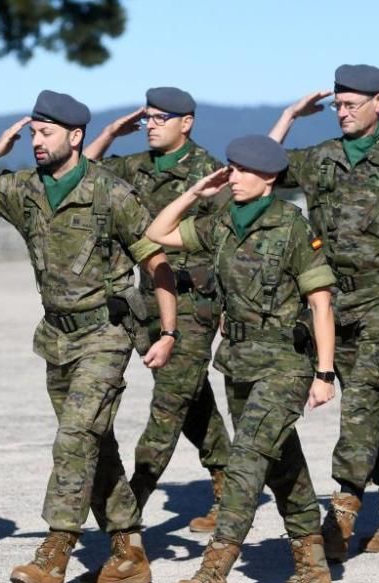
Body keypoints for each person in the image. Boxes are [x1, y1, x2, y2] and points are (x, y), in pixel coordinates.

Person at [0, 90, 178, 583]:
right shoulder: (23, 188)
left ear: (75, 136)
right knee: (96, 445)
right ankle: (129, 552)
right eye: (31, 134)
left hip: (106, 334)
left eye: (45, 133)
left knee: (74, 439)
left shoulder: (110, 193)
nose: (36, 142)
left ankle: (56, 552)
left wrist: (169, 333)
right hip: (56, 338)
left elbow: (157, 264)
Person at [147, 135, 337, 583]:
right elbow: (158, 232)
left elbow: (320, 303)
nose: (231, 176)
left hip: (284, 365)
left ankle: (214, 572)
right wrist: (195, 192)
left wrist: (325, 373)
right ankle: (313, 570)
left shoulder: (291, 226)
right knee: (280, 463)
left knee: (247, 460)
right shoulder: (222, 224)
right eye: (229, 168)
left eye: (240, 170)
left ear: (268, 177)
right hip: (238, 363)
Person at [269, 64, 379, 560]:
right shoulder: (321, 157)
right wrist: (288, 117)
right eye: (337, 105)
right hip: (334, 303)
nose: (342, 113)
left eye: (351, 104)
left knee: (363, 398)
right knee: (372, 400)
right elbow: (261, 167)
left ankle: (344, 508)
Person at [84, 86, 231, 532]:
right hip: (147, 301)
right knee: (190, 396)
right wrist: (109, 131)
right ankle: (230, 481)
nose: (150, 125)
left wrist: (229, 304)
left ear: (186, 122)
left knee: (168, 403)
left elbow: (228, 239)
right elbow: (84, 172)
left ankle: (135, 496)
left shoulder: (209, 172)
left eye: (160, 118)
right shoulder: (133, 166)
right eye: (147, 118)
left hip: (195, 303)